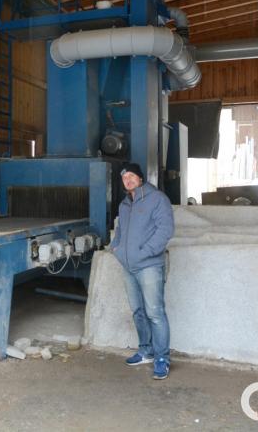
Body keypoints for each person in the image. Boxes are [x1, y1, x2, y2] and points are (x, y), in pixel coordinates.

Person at [108, 162, 175, 380]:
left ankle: (162, 358)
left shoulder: (157, 199)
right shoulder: (124, 205)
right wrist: (116, 249)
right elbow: (119, 231)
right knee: (138, 311)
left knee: (155, 313)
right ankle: (146, 350)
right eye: (124, 178)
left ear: (140, 177)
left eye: (131, 176)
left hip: (149, 266)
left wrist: (144, 252)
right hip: (128, 267)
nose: (127, 180)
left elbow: (165, 230)